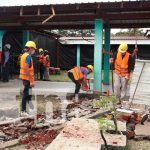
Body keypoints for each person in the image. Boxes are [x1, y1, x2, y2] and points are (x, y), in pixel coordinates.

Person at [19, 41, 37, 117]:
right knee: (25, 94)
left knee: (29, 93)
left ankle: (31, 107)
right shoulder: (28, 56)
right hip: (27, 79)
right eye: (33, 49)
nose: (34, 50)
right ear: (30, 48)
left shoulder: (24, 55)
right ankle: (23, 111)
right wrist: (31, 80)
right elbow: (26, 68)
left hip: (25, 78)